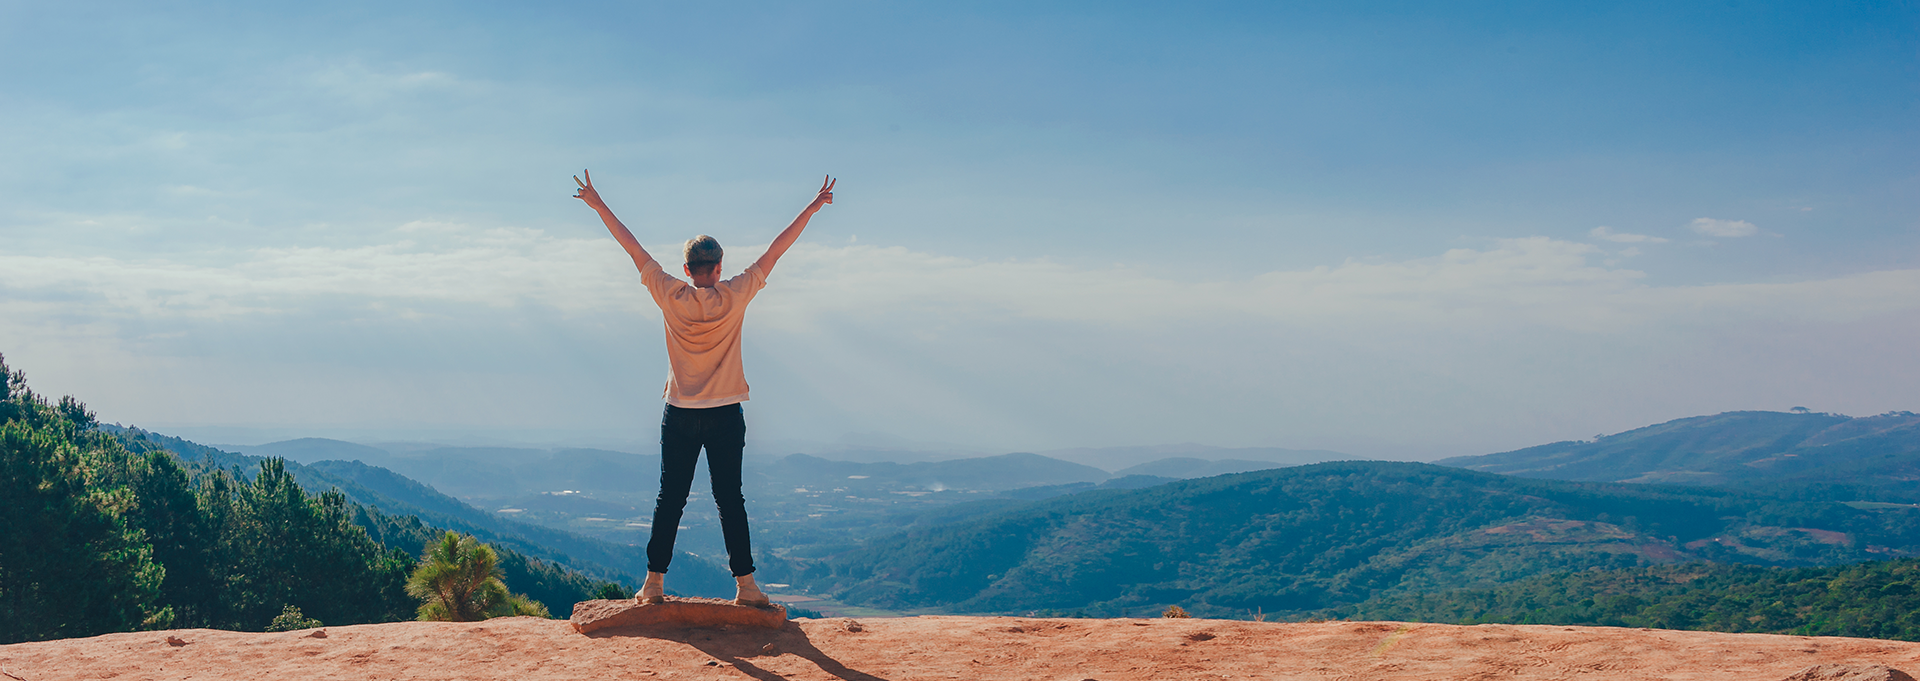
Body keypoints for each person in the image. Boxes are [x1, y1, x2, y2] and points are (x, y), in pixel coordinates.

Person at [573, 170, 834, 607]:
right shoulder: (735, 295)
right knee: (730, 498)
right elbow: (776, 251)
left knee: (669, 498)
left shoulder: (669, 294)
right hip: (725, 413)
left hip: (679, 412)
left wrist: (598, 204)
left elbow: (632, 247)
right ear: (718, 268)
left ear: (686, 269)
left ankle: (653, 585)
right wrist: (810, 208)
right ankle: (746, 586)